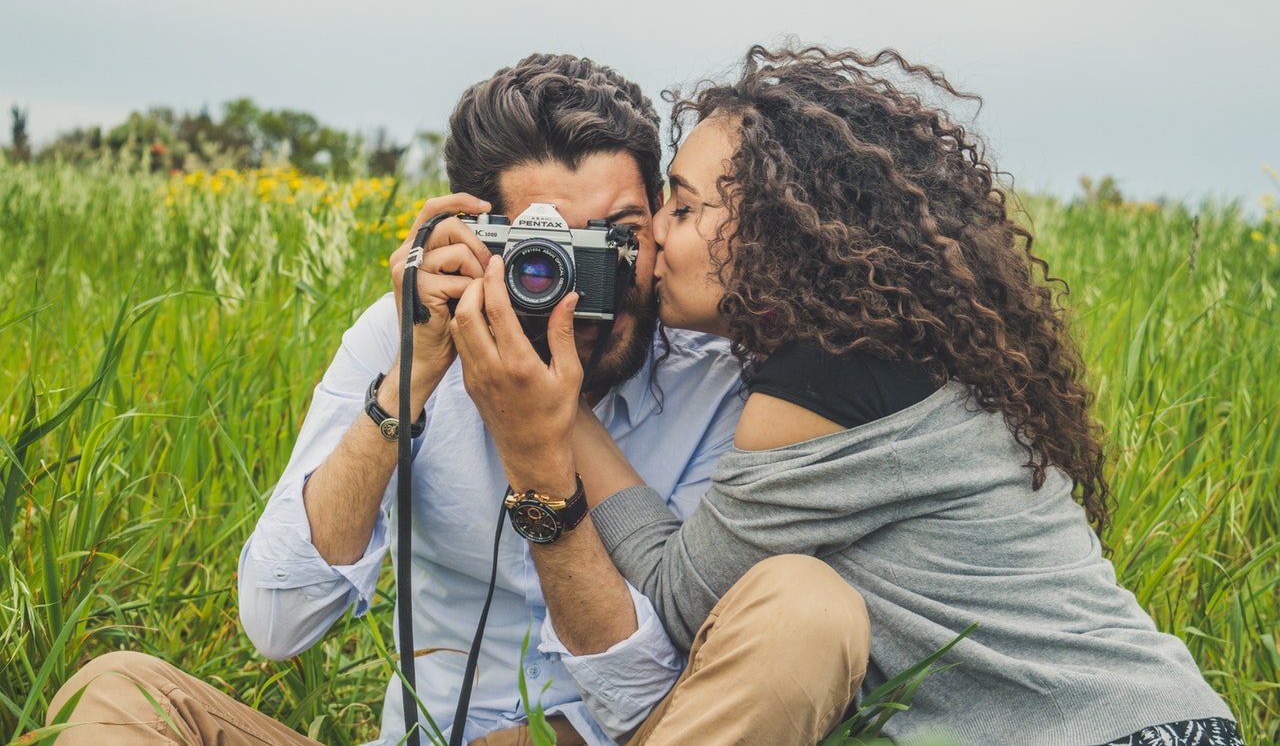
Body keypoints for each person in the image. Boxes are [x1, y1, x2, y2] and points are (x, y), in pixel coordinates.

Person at [452, 45, 1242, 745]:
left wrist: (555, 418)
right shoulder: (883, 352)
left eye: (685, 208)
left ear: (774, 234)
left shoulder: (825, 382)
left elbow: (683, 595)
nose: (655, 234)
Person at [45, 54, 745, 745]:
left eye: (618, 237)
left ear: (661, 215)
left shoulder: (714, 386)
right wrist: (412, 374)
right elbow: (279, 619)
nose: (589, 289)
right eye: (545, 251)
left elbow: (659, 703)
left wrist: (541, 457)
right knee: (113, 694)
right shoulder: (411, 332)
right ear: (476, 240)